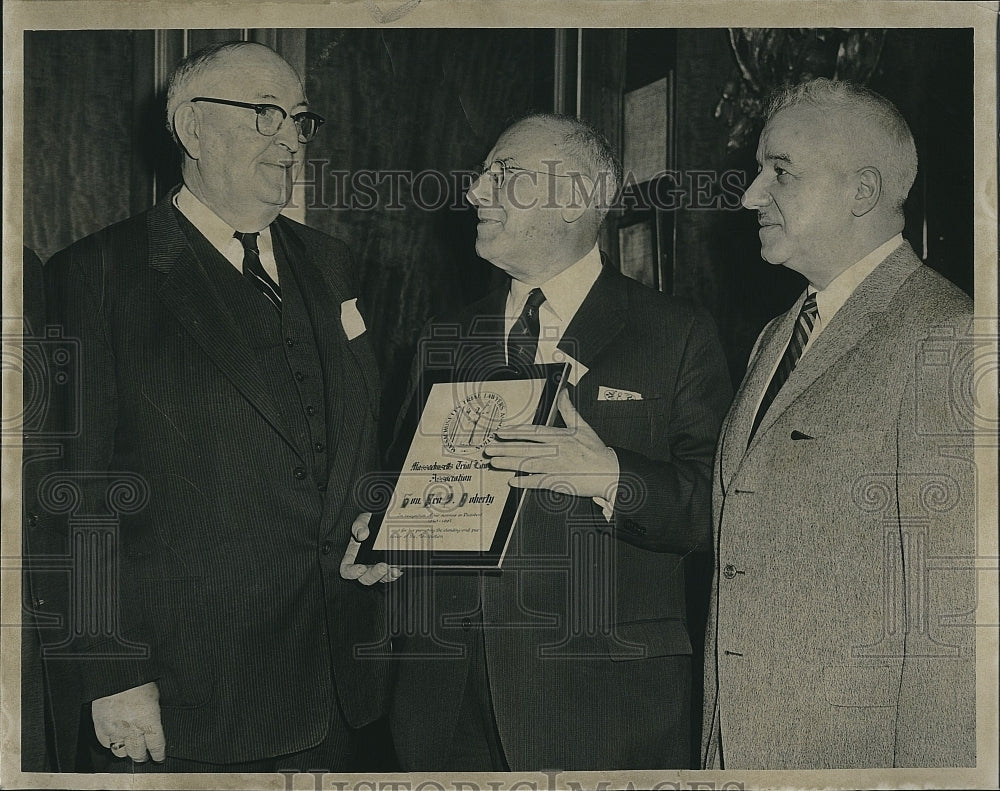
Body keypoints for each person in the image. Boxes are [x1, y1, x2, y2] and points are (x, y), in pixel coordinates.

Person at [39, 41, 389, 772]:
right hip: (185, 703)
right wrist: (112, 670)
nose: (291, 139)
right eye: (265, 115)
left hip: (341, 688)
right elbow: (73, 492)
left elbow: (354, 442)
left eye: (299, 119)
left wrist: (385, 526)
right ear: (192, 130)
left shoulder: (332, 265)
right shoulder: (98, 276)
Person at [344, 112, 732, 770]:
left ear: (578, 197)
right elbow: (408, 485)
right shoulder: (444, 336)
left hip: (603, 704)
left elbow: (715, 511)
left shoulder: (677, 334)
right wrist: (386, 537)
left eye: (504, 174)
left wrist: (611, 474)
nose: (473, 192)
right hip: (445, 705)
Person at [701, 78, 977, 769]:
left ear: (861, 193)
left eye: (780, 173)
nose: (751, 196)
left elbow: (957, 632)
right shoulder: (776, 335)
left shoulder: (949, 335)